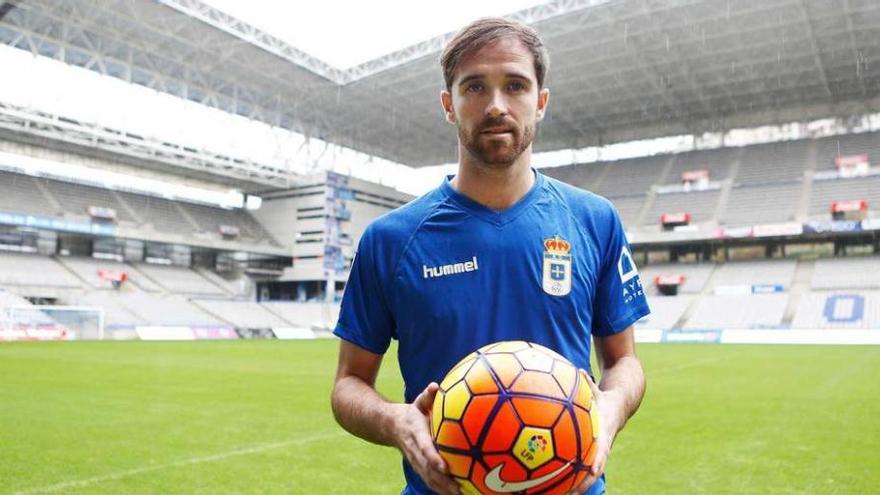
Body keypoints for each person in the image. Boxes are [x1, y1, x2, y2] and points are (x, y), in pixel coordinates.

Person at [331, 17, 649, 495]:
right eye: (474, 86)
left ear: (540, 102)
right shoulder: (390, 240)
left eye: (515, 85)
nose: (496, 105)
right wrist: (397, 422)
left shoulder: (594, 220)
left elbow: (624, 362)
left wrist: (610, 408)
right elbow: (348, 384)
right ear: (449, 105)